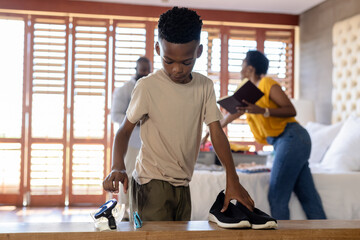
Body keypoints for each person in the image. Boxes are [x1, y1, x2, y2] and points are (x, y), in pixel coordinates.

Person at [103, 7, 254, 221]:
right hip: (150, 183)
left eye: (186, 62)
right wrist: (118, 166)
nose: (177, 70)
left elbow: (216, 132)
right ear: (158, 49)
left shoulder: (204, 86)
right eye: (168, 61)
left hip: (183, 184)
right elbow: (124, 131)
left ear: (198, 52)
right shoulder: (147, 87)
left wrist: (233, 178)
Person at [202, 50, 326, 220]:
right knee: (308, 196)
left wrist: (263, 110)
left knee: (277, 196)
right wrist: (209, 132)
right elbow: (233, 114)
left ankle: (283, 237)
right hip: (286, 141)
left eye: (243, 64)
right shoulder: (245, 89)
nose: (240, 68)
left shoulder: (267, 83)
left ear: (250, 68)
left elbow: (291, 110)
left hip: (293, 137)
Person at [110, 56, 151, 219]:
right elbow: (115, 115)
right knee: (126, 175)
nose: (145, 73)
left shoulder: (152, 88)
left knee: (144, 176)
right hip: (130, 141)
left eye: (147, 70)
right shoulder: (124, 90)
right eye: (142, 70)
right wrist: (134, 121)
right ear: (136, 70)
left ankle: (141, 208)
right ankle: (124, 208)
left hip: (149, 142)